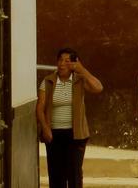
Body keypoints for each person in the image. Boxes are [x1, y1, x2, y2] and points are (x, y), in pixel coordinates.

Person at [37, 47, 103, 188]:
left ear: (74, 64)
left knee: (74, 174)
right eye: (60, 60)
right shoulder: (48, 81)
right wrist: (45, 128)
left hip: (76, 135)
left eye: (67, 61)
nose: (62, 64)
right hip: (54, 135)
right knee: (56, 175)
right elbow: (39, 109)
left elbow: (98, 88)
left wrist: (82, 69)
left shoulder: (79, 80)